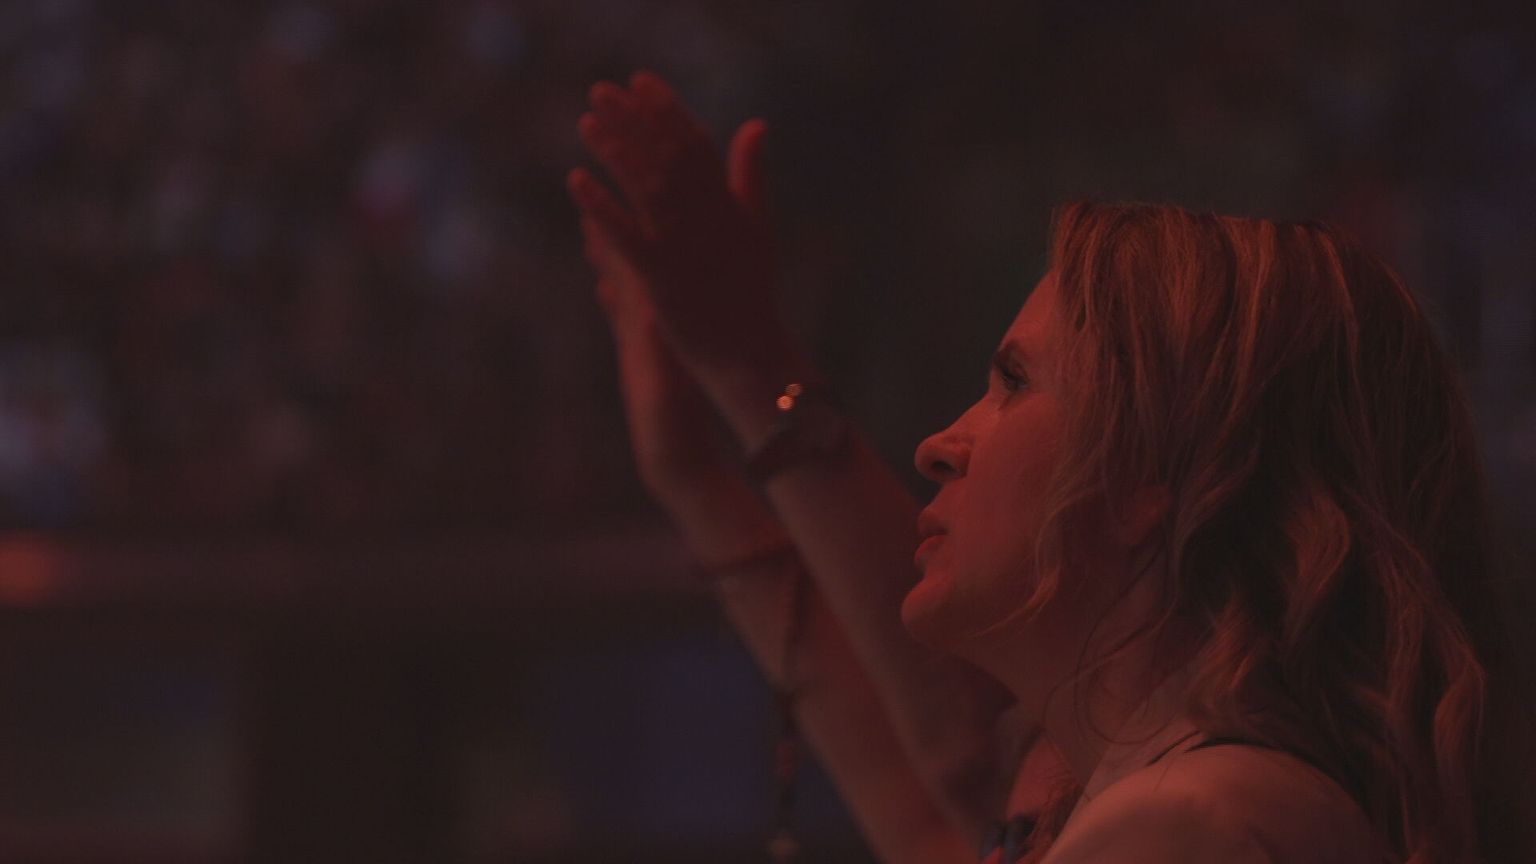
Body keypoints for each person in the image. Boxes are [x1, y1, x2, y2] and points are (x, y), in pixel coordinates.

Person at [565, 70, 1535, 863]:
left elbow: (946, 759)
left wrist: (744, 388)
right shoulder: (1170, 804)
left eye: (1013, 382)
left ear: (1153, 471)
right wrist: (702, 457)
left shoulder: (1188, 827)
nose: (937, 445)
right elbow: (935, 787)